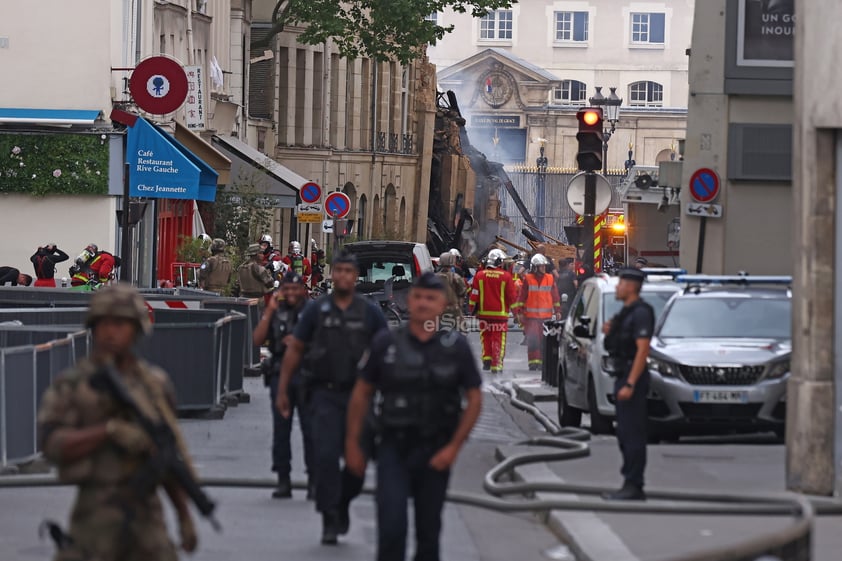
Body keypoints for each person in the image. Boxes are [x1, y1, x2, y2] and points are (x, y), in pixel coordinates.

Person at [36, 283, 199, 561]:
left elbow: (167, 457)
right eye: (105, 323)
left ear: (136, 329)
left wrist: (184, 515)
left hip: (147, 521)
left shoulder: (155, 385)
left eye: (121, 324)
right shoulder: (74, 384)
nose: (111, 332)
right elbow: (52, 445)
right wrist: (108, 432)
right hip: (95, 517)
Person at [346, 272, 483, 561]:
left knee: (428, 532)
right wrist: (353, 444)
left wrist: (453, 449)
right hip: (393, 447)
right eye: (418, 296)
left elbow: (473, 398)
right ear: (409, 300)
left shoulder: (455, 347)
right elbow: (361, 393)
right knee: (392, 526)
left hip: (435, 451)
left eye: (430, 298)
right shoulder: (387, 342)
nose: (423, 303)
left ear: (443, 304)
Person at [277, 251, 387, 545]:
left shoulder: (369, 312)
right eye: (337, 271)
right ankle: (329, 517)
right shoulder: (317, 310)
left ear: (355, 276)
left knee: (357, 465)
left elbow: (385, 354)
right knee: (325, 457)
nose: (342, 276)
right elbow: (296, 348)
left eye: (348, 271)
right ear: (332, 273)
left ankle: (342, 503)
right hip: (323, 394)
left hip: (359, 396)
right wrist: (283, 389)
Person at [253, 271, 314, 499]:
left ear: (302, 290)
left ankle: (314, 480)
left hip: (307, 375)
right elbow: (257, 340)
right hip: (280, 376)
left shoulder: (311, 312)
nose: (290, 293)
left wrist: (300, 343)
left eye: (295, 288)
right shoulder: (276, 313)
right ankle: (283, 478)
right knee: (281, 430)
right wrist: (268, 312)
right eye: (286, 289)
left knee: (311, 430)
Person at [601, 268, 655, 501]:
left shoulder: (642, 313)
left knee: (632, 433)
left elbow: (643, 350)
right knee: (623, 432)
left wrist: (631, 384)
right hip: (622, 374)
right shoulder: (626, 312)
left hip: (632, 377)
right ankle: (629, 482)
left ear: (631, 287)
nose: (617, 287)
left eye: (621, 283)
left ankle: (634, 485)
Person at [469, 248, 518, 373]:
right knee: (498, 339)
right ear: (498, 262)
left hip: (483, 314)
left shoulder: (479, 275)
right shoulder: (506, 277)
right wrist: (517, 314)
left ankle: (487, 359)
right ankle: (496, 365)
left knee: (486, 337)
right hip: (500, 315)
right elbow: (512, 297)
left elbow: (474, 294)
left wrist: (471, 310)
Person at [513, 254, 562, 371]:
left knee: (544, 341)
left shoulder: (550, 279)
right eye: (541, 266)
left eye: (544, 266)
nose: (544, 268)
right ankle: (533, 362)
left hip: (546, 317)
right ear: (535, 267)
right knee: (533, 340)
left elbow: (555, 297)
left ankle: (542, 363)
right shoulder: (528, 279)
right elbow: (522, 297)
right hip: (531, 317)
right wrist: (519, 312)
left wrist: (558, 311)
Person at [436, 252, 468, 331]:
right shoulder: (455, 277)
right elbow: (463, 291)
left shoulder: (433, 277)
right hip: (453, 310)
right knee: (461, 331)